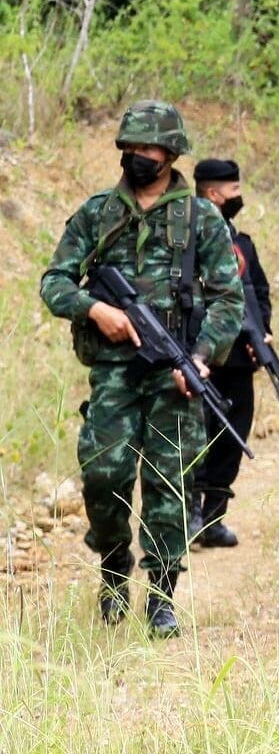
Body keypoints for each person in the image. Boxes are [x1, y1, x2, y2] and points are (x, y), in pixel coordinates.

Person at [39, 101, 243, 637]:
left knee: (169, 482)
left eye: (148, 149)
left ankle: (160, 595)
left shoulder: (202, 218)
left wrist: (200, 357)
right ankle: (112, 567)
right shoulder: (97, 212)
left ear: (171, 153)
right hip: (113, 370)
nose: (137, 157)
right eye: (130, 148)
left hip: (175, 369)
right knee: (103, 473)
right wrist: (95, 309)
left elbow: (228, 300)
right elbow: (55, 281)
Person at [189, 158, 272, 549]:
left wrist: (264, 331)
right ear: (213, 193)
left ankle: (213, 517)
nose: (240, 197)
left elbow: (258, 291)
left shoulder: (241, 241)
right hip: (199, 354)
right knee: (194, 434)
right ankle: (188, 513)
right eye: (234, 191)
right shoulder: (186, 239)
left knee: (233, 434)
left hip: (239, 356)